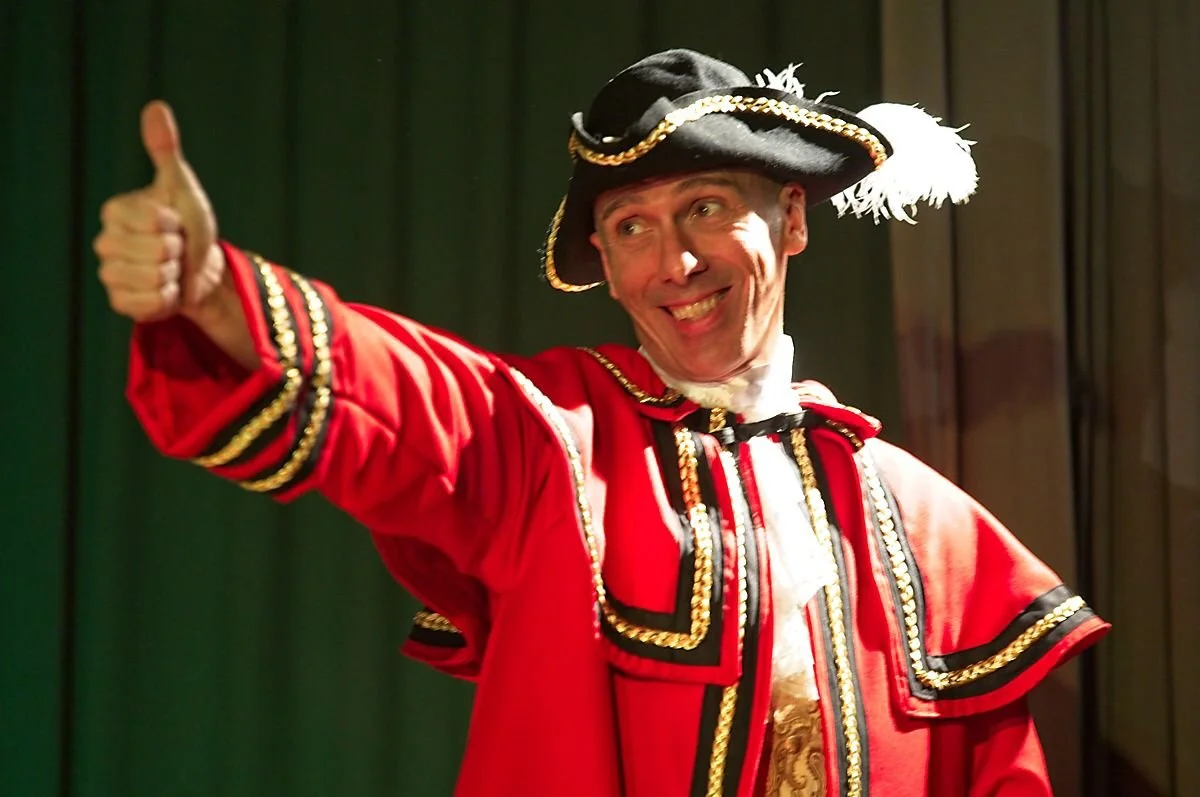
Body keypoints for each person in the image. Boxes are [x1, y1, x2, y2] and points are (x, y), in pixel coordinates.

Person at [95, 49, 1108, 796]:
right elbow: (410, 399)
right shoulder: (558, 444)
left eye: (709, 206)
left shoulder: (929, 525)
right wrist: (216, 297)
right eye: (632, 228)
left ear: (793, 219)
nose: (675, 263)